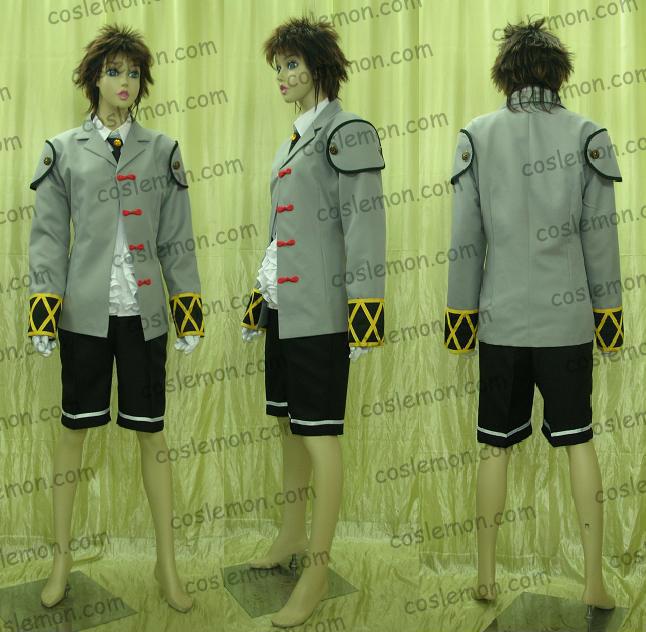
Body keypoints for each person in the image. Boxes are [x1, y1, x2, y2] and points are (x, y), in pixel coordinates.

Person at [444, 18, 622, 615]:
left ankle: (485, 575)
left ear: (506, 74)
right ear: (558, 72)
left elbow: (466, 242)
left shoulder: (477, 136)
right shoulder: (588, 136)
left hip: (500, 324)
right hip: (567, 325)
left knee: (494, 448)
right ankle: (593, 580)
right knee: (579, 444)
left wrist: (462, 321)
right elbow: (601, 242)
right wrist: (609, 318)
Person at [28, 24, 204, 613]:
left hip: (144, 316)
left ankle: (167, 563)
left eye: (132, 73)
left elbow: (177, 238)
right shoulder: (62, 151)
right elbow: (48, 238)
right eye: (113, 71)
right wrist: (43, 309)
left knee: (152, 433)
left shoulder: (163, 150)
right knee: (73, 432)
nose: (124, 82)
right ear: (93, 78)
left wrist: (187, 307)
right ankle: (60, 560)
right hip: (84, 316)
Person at [240, 16, 386, 629]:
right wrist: (260, 300)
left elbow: (365, 226)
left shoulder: (348, 133)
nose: (281, 75)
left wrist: (364, 313)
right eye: (277, 66)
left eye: (292, 64)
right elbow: (282, 235)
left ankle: (318, 571)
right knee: (289, 428)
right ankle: (291, 536)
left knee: (320, 436)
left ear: (319, 67)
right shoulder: (291, 142)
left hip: (324, 314)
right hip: (284, 309)